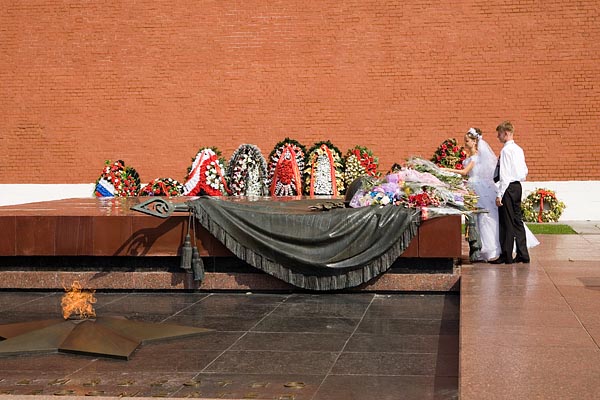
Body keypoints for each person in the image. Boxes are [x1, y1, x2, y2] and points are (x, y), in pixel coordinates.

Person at [444, 127, 538, 262]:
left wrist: (445, 169)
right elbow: (523, 170)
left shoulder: (485, 155)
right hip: (509, 185)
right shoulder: (517, 149)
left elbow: (468, 172)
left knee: (492, 219)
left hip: (493, 187)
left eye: (467, 141)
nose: (465, 143)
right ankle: (518, 253)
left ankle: (502, 252)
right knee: (508, 219)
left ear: (475, 141)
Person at [491, 121, 536, 264]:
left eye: (499, 134)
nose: (498, 137)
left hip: (508, 188)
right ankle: (523, 254)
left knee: (506, 222)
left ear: (506, 133)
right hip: (517, 186)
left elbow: (504, 174)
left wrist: (500, 194)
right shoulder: (519, 149)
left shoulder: (506, 150)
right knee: (517, 221)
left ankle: (506, 255)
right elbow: (524, 170)